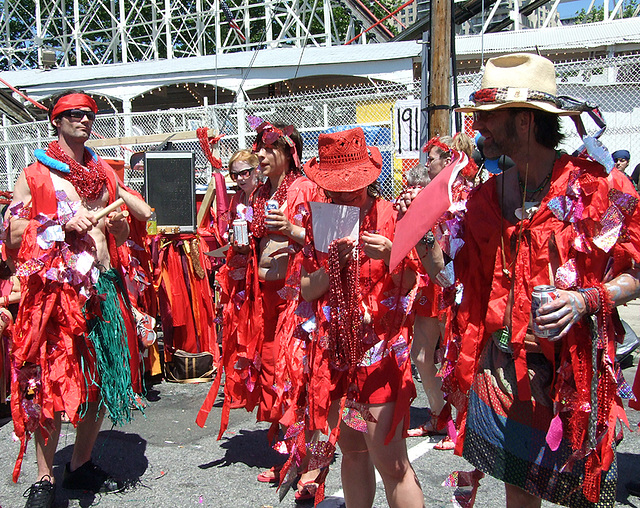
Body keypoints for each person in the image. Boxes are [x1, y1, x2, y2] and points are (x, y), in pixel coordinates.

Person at [402, 53, 640, 507]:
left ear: (526, 122)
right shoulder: (484, 198)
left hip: (574, 376)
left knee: (585, 496)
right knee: (518, 491)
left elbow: (638, 266)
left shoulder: (597, 187)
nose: (478, 129)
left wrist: (586, 300)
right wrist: (420, 238)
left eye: (490, 118)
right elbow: (459, 282)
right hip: (502, 371)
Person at [6, 90, 152, 508]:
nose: (85, 120)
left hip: (104, 288)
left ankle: (80, 464)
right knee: (52, 383)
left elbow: (120, 234)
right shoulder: (37, 174)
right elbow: (13, 236)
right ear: (56, 120)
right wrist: (60, 223)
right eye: (74, 114)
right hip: (59, 294)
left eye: (89, 114)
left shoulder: (102, 172)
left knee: (102, 380)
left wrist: (121, 227)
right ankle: (44, 478)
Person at [297, 127, 424, 507]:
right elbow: (306, 288)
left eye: (351, 185)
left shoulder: (388, 216)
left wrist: (390, 254)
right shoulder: (319, 221)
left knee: (392, 462)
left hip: (380, 359)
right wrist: (329, 267)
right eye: (334, 187)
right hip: (336, 357)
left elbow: (417, 281)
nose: (343, 193)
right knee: (352, 450)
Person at [198, 120, 319, 496]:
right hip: (264, 299)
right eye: (259, 149)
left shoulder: (304, 188)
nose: (261, 157)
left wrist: (293, 231)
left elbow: (326, 240)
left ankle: (309, 466)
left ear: (287, 151)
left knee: (297, 377)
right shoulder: (263, 192)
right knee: (273, 373)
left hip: (295, 299)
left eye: (267, 150)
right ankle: (289, 456)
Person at [407, 133, 481, 452]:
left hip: (456, 285)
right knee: (423, 356)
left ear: (448, 160)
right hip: (434, 281)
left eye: (433, 158)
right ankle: (440, 414)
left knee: (457, 354)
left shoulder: (462, 195)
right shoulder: (435, 193)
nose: (427, 164)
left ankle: (464, 424)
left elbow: (457, 249)